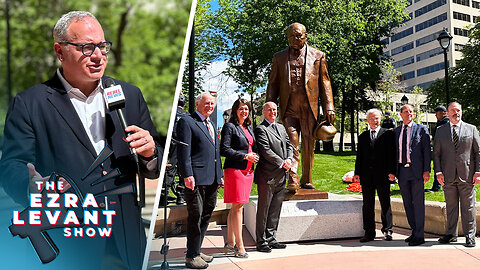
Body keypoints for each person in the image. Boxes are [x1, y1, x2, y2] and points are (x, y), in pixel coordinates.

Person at [0, 11, 161, 270]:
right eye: (86, 47)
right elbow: (11, 167)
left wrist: (150, 154)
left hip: (126, 237)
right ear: (60, 51)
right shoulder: (30, 103)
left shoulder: (129, 95)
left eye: (102, 46)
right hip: (69, 238)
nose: (98, 55)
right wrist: (32, 188)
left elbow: (156, 159)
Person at [266, 22, 335, 192]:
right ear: (287, 38)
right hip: (289, 107)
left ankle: (307, 178)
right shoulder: (279, 57)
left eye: (299, 35)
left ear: (306, 36)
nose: (296, 39)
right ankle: (293, 178)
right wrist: (270, 105)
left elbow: (325, 82)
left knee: (308, 144)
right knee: (292, 142)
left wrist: (329, 106)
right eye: (292, 36)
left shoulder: (318, 55)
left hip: (309, 107)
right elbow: (273, 84)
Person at [177, 92, 223, 269]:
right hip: (195, 179)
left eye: (212, 104)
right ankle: (191, 256)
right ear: (197, 104)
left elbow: (215, 153)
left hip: (211, 179)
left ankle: (197, 249)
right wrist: (187, 174)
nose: (210, 106)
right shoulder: (187, 122)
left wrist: (219, 175)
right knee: (195, 216)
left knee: (206, 215)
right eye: (206, 103)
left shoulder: (211, 124)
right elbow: (183, 153)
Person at [434, 102, 480, 247]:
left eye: (458, 110)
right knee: (451, 206)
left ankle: (469, 236)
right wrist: (439, 172)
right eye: (453, 111)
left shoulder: (471, 129)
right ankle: (451, 234)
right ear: (447, 113)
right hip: (447, 176)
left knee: (468, 207)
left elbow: (478, 152)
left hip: (467, 175)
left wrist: (478, 172)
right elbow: (436, 154)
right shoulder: (440, 130)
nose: (456, 113)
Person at [220, 98, 259, 258]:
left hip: (248, 172)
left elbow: (252, 146)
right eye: (241, 108)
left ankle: (229, 243)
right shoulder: (230, 127)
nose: (244, 111)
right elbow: (224, 149)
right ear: (235, 110)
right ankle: (239, 246)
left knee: (235, 208)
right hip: (235, 170)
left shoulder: (248, 128)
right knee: (238, 207)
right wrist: (245, 156)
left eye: (246, 109)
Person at [254, 102, 293, 252]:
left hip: (282, 175)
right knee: (264, 209)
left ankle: (271, 238)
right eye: (269, 110)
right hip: (267, 176)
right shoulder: (261, 129)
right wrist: (282, 162)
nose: (272, 112)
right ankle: (261, 241)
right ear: (263, 112)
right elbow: (265, 150)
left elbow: (289, 145)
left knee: (275, 209)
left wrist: (289, 159)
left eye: (275, 110)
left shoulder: (281, 128)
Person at [354, 109, 396, 242]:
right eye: (372, 118)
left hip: (383, 175)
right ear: (367, 120)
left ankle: (387, 230)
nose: (375, 121)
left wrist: (392, 172)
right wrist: (357, 173)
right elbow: (359, 157)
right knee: (367, 205)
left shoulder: (388, 134)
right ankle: (369, 232)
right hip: (367, 176)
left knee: (385, 203)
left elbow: (392, 155)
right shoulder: (363, 136)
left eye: (377, 118)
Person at [393, 104, 431, 246]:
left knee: (418, 203)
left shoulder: (422, 129)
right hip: (402, 171)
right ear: (401, 114)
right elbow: (393, 153)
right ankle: (414, 231)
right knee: (407, 203)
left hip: (417, 172)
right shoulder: (396, 131)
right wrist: (393, 171)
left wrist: (427, 170)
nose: (409, 113)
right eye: (406, 111)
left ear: (413, 115)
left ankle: (420, 236)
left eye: (411, 111)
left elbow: (427, 151)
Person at [426, 105, 450, 192]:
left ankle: (437, 186)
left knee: (439, 168)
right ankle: (436, 186)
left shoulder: (446, 122)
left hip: (443, 150)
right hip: (439, 148)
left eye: (437, 114)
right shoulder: (441, 122)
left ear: (443, 113)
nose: (436, 116)